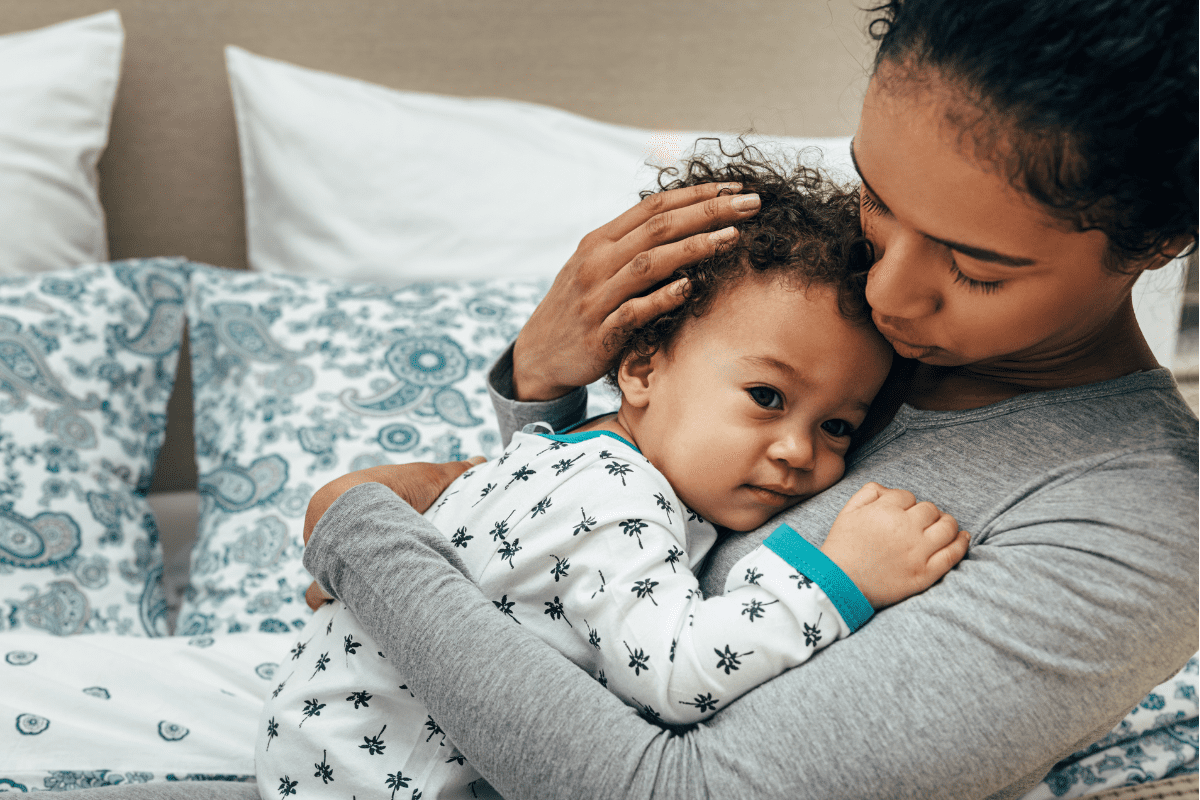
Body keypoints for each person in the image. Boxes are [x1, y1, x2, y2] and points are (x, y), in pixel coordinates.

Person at [297, 1, 1198, 798]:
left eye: (975, 268)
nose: (887, 293)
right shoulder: (830, 306)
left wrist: (364, 539)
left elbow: (667, 787)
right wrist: (542, 391)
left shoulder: (1137, 528)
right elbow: (589, 556)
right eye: (877, 200)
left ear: (1162, 240)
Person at [256, 155, 970, 798]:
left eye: (837, 426)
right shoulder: (616, 498)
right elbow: (675, 675)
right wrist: (840, 576)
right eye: (767, 397)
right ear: (641, 368)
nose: (797, 450)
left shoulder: (557, 452)